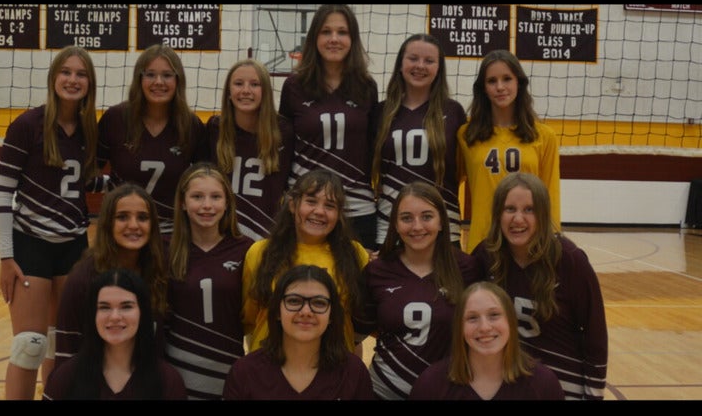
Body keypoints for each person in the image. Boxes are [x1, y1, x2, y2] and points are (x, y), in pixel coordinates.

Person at [0, 45, 102, 400]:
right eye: (66, 72)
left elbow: (84, 182)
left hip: (74, 246)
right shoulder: (27, 126)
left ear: (90, 82)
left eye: (81, 74)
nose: (73, 79)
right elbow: (2, 195)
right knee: (30, 344)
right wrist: (6, 257)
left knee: (62, 345)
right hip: (31, 244)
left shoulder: (90, 130)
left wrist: (125, 185)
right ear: (53, 77)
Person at [473, 172, 607, 400]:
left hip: (563, 384)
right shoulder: (485, 256)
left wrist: (593, 396)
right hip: (508, 383)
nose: (518, 219)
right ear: (498, 214)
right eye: (510, 209)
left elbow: (595, 335)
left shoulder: (570, 260)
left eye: (529, 210)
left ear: (543, 215)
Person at [359, 181, 482, 400]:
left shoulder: (467, 268)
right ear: (395, 224)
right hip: (383, 391)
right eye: (406, 218)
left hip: (446, 391)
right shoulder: (377, 271)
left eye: (427, 217)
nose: (417, 227)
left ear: (441, 222)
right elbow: (355, 333)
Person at [279, 4, 379, 251]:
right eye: (326, 32)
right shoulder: (294, 85)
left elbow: (371, 146)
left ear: (352, 39)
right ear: (314, 38)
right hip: (306, 208)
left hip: (356, 207)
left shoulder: (366, 87)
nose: (334, 39)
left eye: (342, 32)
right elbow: (284, 147)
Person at [241, 168, 369, 354]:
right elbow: (249, 320)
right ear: (293, 205)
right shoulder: (261, 252)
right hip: (271, 362)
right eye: (311, 201)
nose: (320, 211)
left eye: (330, 206)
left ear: (339, 214)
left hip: (334, 363)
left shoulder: (355, 254)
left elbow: (359, 323)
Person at [97, 43, 209, 239]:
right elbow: (90, 169)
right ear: (139, 79)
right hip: (122, 231)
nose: (158, 82)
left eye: (167, 75)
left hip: (171, 235)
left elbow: (205, 181)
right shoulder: (115, 119)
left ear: (178, 80)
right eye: (150, 74)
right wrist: (110, 187)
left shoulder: (191, 125)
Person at [54, 182, 168, 372]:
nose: (134, 225)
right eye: (122, 217)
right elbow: (66, 352)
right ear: (108, 223)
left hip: (148, 380)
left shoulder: (160, 271)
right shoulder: (83, 279)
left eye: (142, 217)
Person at [164, 162, 254, 400]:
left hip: (229, 365)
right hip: (177, 367)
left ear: (227, 203)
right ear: (183, 202)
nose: (207, 205)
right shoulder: (165, 249)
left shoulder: (246, 249)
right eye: (197, 197)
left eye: (216, 197)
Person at [457, 49, 561, 253]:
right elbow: (449, 186)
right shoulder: (466, 135)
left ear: (518, 83)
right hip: (482, 242)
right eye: (492, 81)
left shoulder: (544, 136)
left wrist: (553, 240)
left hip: (528, 242)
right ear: (483, 88)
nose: (500, 87)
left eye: (507, 79)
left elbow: (550, 194)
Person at [223, 264, 374, 400]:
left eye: (319, 303)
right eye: (294, 301)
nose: (306, 312)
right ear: (277, 312)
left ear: (331, 316)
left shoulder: (354, 373)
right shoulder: (245, 372)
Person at [371, 34, 466, 248]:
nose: (420, 66)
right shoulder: (380, 112)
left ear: (439, 69)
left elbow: (463, 169)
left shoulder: (453, 112)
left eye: (429, 61)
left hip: (443, 225)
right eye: (413, 58)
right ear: (400, 64)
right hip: (390, 224)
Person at [43, 269, 187, 400]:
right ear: (93, 315)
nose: (115, 316)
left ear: (142, 313)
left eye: (126, 307)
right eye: (104, 307)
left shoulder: (168, 381)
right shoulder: (65, 378)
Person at [408, 281, 565, 400]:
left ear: (510, 321)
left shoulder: (543, 384)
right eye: (472, 318)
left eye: (494, 315)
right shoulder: (431, 384)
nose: (484, 327)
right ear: (460, 327)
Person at [207, 58, 294, 241]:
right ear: (228, 92)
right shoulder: (215, 129)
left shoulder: (283, 132)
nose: (246, 90)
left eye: (255, 84)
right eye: (238, 83)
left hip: (266, 237)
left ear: (266, 92)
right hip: (222, 236)